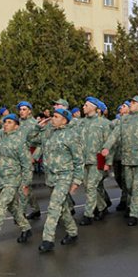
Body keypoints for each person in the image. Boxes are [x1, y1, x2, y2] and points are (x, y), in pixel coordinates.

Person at [0, 114, 33, 244]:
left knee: (1, 204)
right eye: (5, 122)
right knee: (11, 207)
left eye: (9, 122)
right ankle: (26, 228)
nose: (6, 124)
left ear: (16, 126)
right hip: (0, 179)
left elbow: (27, 164)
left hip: (13, 179)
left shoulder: (19, 141)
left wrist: (26, 183)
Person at [37, 108, 84, 253]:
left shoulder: (71, 135)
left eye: (56, 117)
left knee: (53, 207)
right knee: (62, 207)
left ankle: (48, 239)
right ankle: (72, 231)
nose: (52, 119)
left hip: (64, 176)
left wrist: (76, 181)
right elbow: (31, 139)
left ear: (65, 120)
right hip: (51, 176)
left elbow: (78, 160)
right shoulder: (49, 133)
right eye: (52, 116)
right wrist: (38, 127)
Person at [102, 96, 138, 226]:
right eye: (130, 102)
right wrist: (106, 147)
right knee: (129, 187)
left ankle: (134, 214)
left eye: (134, 102)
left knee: (136, 187)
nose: (131, 104)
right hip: (126, 159)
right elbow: (114, 135)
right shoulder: (123, 120)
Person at [78, 97, 112, 226]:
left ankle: (88, 215)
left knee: (91, 186)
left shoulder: (103, 123)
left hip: (97, 159)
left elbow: (108, 144)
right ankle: (102, 207)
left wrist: (108, 162)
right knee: (88, 187)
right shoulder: (81, 123)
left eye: (86, 105)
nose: (83, 107)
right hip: (83, 160)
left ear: (94, 107)